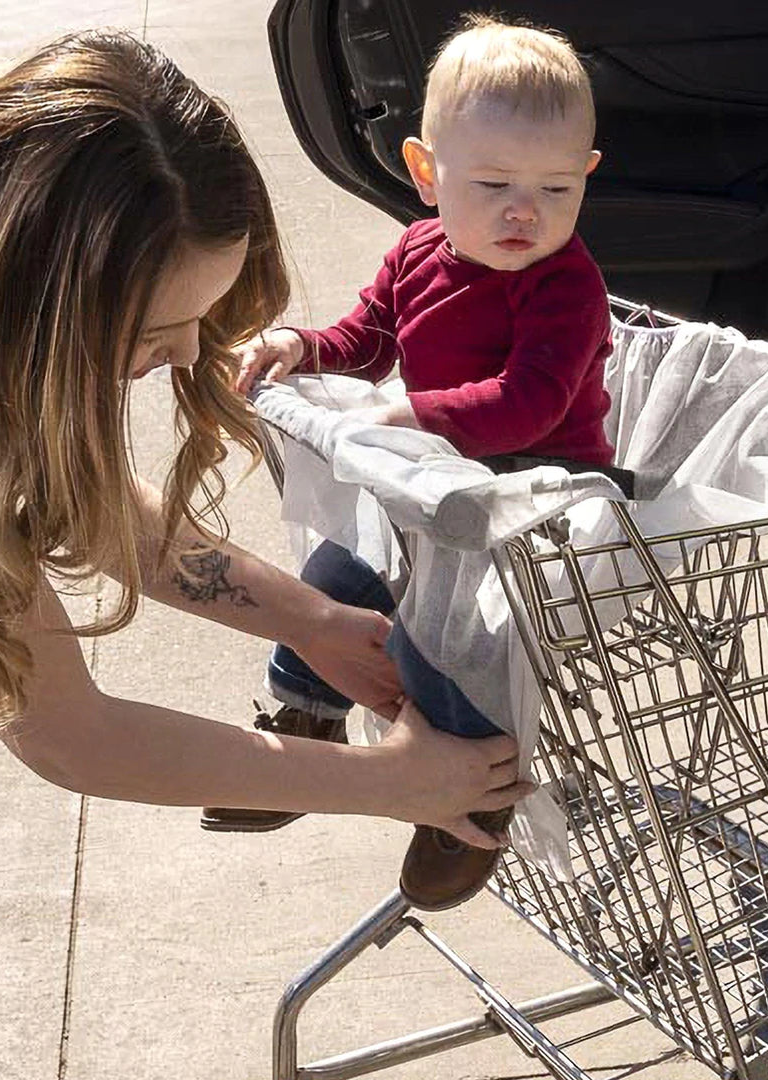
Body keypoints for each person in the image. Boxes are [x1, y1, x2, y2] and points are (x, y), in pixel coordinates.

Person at [0, 32, 533, 1078]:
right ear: (48, 293)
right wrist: (392, 782)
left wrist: (310, 621)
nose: (185, 354)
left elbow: (80, 502)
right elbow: (70, 733)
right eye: (162, 324)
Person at [203, 16, 610, 909]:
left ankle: (471, 796)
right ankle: (303, 717)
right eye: (495, 182)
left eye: (554, 188)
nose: (524, 212)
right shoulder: (417, 252)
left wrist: (408, 410)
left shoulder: (563, 284)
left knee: (456, 643)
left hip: (542, 493)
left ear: (585, 179)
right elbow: (368, 335)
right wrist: (299, 346)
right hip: (437, 480)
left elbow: (530, 402)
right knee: (337, 571)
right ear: (425, 174)